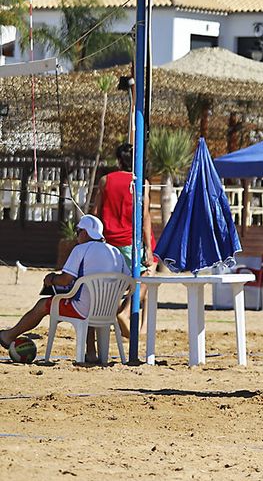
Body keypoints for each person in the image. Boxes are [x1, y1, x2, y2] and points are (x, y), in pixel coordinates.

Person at [0, 216, 129, 358]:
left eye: (78, 231)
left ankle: (8, 336)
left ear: (85, 233)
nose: (76, 235)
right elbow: (128, 282)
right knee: (88, 299)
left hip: (83, 310)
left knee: (43, 305)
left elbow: (65, 280)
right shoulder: (116, 252)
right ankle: (91, 352)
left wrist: (51, 279)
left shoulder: (81, 249)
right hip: (108, 311)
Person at [93, 142, 155, 338]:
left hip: (108, 242)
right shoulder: (141, 183)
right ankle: (126, 312)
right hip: (130, 241)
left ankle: (125, 319)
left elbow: (95, 213)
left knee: (109, 286)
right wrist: (148, 248)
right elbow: (145, 217)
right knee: (146, 277)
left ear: (119, 160)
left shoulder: (105, 181)